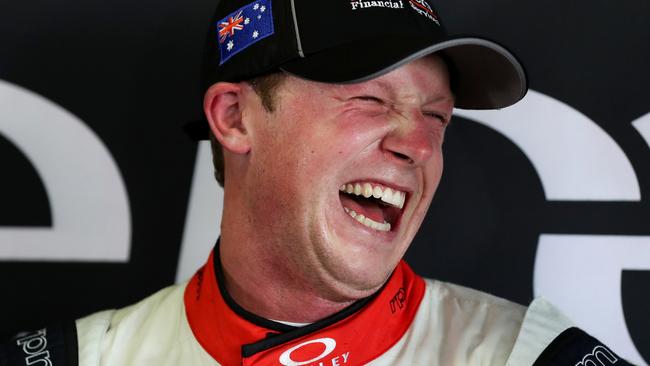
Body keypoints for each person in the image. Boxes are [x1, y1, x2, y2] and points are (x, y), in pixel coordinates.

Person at [1, 0, 632, 365]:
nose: (415, 144)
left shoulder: (529, 361)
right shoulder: (74, 361)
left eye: (436, 117)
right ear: (234, 117)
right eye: (367, 99)